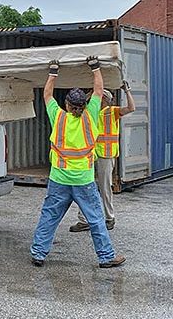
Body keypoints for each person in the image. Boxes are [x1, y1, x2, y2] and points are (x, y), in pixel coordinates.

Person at [29, 56, 125, 268]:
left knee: (49, 217)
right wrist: (95, 68)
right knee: (96, 219)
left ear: (67, 104)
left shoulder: (59, 117)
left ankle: (38, 253)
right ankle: (106, 257)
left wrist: (53, 72)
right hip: (83, 180)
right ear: (86, 104)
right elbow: (99, 91)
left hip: (59, 179)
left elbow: (46, 95)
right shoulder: (91, 117)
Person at [70, 82, 136, 232]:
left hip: (106, 155)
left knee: (105, 187)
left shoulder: (112, 112)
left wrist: (127, 91)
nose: (97, 99)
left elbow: (131, 108)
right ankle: (84, 219)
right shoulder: (89, 112)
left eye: (99, 97)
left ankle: (109, 218)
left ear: (106, 99)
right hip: (91, 155)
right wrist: (91, 92)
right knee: (85, 187)